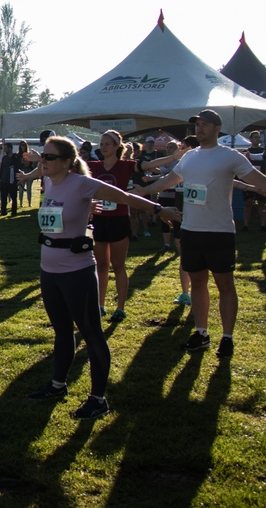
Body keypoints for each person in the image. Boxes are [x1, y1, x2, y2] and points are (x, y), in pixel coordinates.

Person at [25, 137, 179, 419]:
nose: (43, 161)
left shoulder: (82, 183)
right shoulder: (49, 184)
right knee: (61, 331)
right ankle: (58, 385)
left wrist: (159, 210)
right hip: (49, 270)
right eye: (42, 157)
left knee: (92, 334)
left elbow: (126, 197)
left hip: (77, 270)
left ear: (67, 162)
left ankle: (98, 399)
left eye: (48, 157)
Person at [134, 110, 266, 358]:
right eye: (197, 125)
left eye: (205, 125)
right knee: (198, 284)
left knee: (225, 286)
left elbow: (262, 182)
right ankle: (201, 333)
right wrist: (142, 192)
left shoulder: (229, 156)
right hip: (190, 231)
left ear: (217, 128)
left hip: (219, 231)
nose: (199, 129)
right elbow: (166, 181)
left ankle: (227, 338)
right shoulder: (188, 158)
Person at [86, 130, 179, 322]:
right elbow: (66, 165)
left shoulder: (126, 166)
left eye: (107, 144)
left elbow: (151, 164)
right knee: (101, 266)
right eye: (101, 144)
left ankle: (120, 308)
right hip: (99, 221)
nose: (103, 147)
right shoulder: (93, 167)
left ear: (117, 147)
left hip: (119, 220)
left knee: (118, 266)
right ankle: (100, 305)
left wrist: (174, 157)